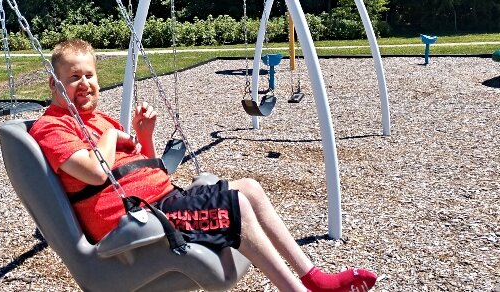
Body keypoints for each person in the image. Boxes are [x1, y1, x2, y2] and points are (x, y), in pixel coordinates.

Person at [30, 39, 377, 292]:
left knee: (250, 188)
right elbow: (93, 170)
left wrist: (143, 136)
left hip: (161, 202)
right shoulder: (53, 125)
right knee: (237, 203)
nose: (85, 84)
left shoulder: (101, 119)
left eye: (89, 75)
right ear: (54, 82)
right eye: (73, 77)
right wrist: (111, 138)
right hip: (134, 222)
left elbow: (149, 172)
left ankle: (312, 276)